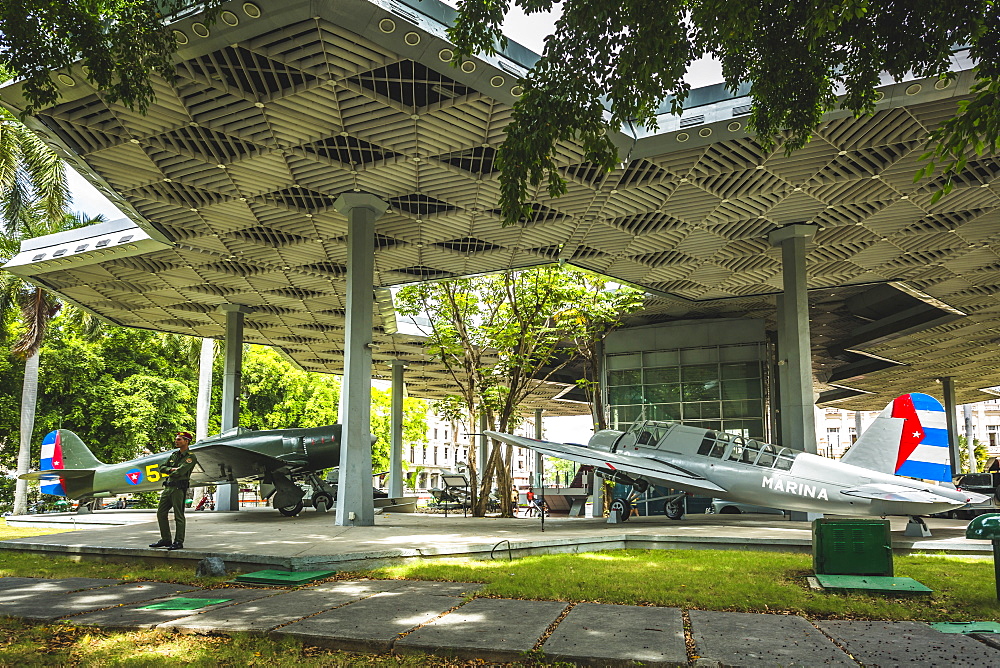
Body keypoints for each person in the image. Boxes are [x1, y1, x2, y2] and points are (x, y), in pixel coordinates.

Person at [149, 431, 199, 550]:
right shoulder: (174, 455)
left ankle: (178, 542)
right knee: (161, 513)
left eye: (179, 439)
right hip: (168, 488)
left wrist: (170, 470)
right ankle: (166, 539)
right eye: (176, 439)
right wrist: (171, 469)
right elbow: (161, 468)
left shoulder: (190, 457)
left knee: (178, 516)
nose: (176, 441)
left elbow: (180, 472)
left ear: (186, 441)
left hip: (178, 489)